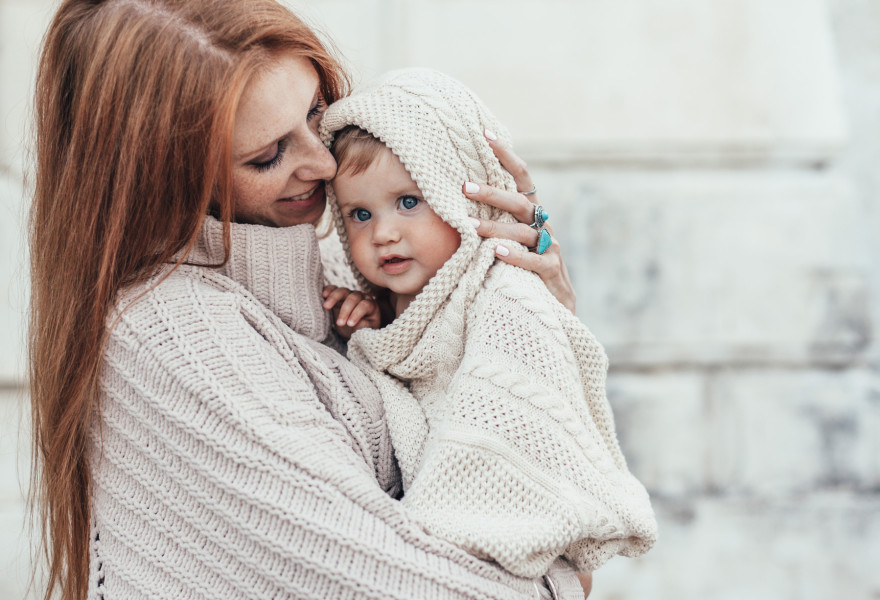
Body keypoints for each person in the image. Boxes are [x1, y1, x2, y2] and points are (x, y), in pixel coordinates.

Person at [29, 1, 590, 599]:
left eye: (316, 110)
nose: (323, 163)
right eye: (267, 155)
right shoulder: (174, 338)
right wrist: (560, 572)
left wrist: (527, 307)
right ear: (164, 178)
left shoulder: (337, 270)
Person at [319, 68, 657, 579]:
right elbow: (402, 365)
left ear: (467, 201)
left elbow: (508, 412)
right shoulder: (391, 301)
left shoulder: (504, 291)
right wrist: (369, 328)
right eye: (359, 214)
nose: (383, 233)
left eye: (409, 202)